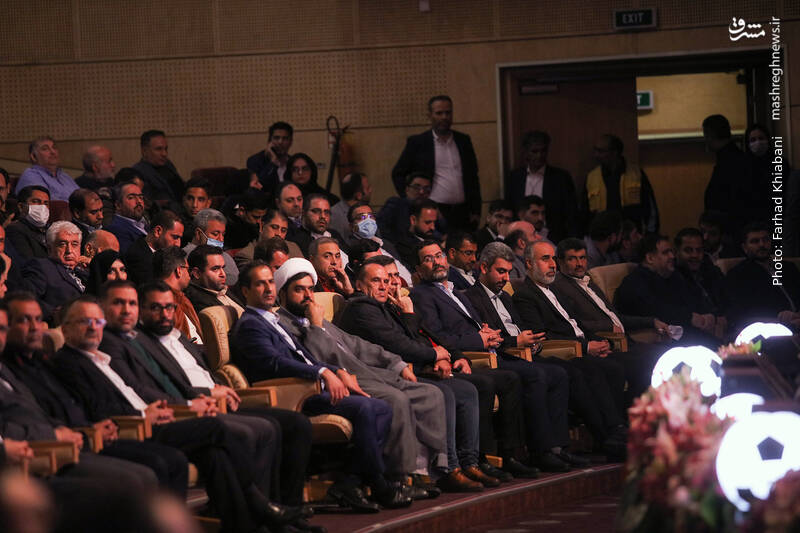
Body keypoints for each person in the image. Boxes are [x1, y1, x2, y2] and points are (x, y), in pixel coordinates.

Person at [50, 294, 307, 533]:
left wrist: (164, 408)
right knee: (216, 428)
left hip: (156, 416)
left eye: (97, 321)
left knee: (215, 454)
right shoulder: (68, 361)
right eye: (84, 322)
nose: (93, 327)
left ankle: (245, 526)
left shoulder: (101, 358)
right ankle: (260, 505)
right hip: (136, 427)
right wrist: (145, 415)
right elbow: (98, 406)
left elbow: (138, 389)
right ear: (65, 329)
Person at [275, 259, 471, 493]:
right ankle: (398, 476)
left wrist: (396, 364)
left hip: (371, 373)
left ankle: (427, 472)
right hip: (343, 381)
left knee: (430, 393)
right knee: (396, 399)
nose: (308, 296)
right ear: (283, 293)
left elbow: (358, 346)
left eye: (310, 289)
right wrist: (316, 328)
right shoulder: (284, 325)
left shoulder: (316, 318)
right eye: (299, 290)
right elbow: (318, 359)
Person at [337, 256, 540, 482]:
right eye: (378, 281)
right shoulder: (363, 308)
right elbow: (399, 344)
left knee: (472, 388)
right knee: (454, 392)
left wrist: (456, 356)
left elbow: (427, 335)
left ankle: (470, 461)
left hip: (419, 365)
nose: (386, 285)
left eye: (389, 279)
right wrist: (433, 354)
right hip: (394, 373)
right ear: (359, 284)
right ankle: (450, 468)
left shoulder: (388, 305)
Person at [230, 261, 407, 512]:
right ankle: (377, 483)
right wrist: (322, 372)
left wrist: (336, 371)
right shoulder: (250, 325)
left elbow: (306, 357)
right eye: (260, 284)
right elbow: (275, 363)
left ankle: (351, 481)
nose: (268, 288)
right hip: (291, 394)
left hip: (310, 386)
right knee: (366, 408)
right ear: (245, 291)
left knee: (382, 407)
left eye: (270, 282)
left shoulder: (272, 320)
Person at [410, 240, 580, 472]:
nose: (436, 262)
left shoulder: (455, 292)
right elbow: (438, 335)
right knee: (525, 376)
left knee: (557, 372)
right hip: (472, 356)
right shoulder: (421, 295)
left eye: (439, 256)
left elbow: (475, 325)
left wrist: (487, 333)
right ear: (418, 269)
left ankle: (557, 447)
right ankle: (527, 453)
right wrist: (478, 339)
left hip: (491, 351)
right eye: (428, 259)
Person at [1, 293, 189, 497]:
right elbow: (42, 415)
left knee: (174, 459)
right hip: (62, 446)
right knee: (151, 469)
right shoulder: (57, 363)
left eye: (38, 319)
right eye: (24, 320)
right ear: (65, 329)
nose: (35, 327)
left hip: (90, 436)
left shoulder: (41, 362)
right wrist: (81, 433)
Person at [467, 242, 628, 459]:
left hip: (528, 352)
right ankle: (545, 450)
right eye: (501, 271)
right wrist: (517, 341)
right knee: (555, 372)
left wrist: (533, 342)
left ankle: (563, 446)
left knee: (568, 371)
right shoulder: (472, 297)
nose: (506, 279)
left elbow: (528, 331)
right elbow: (489, 337)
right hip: (505, 356)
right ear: (484, 268)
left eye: (508, 272)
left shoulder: (506, 297)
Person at [548, 238, 666, 405]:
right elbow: (574, 323)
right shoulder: (558, 286)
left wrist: (651, 322)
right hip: (606, 343)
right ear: (560, 262)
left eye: (582, 258)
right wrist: (608, 326)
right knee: (645, 362)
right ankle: (637, 412)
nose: (579, 263)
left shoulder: (589, 281)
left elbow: (616, 318)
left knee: (663, 353)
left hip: (626, 340)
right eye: (572, 259)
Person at [614, 234, 722, 346]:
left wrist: (707, 316)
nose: (672, 256)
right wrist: (690, 317)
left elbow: (693, 299)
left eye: (672, 252)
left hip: (686, 335)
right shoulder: (634, 282)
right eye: (666, 253)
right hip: (654, 341)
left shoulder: (673, 276)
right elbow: (655, 310)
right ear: (650, 258)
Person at [392, 95, 480, 231]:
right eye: (439, 113)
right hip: (434, 210)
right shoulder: (418, 143)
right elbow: (398, 173)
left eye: (448, 112)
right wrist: (411, 200)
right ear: (430, 115)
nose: (444, 117)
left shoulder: (463, 141)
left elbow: (473, 176)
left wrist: (476, 210)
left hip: (463, 211)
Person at [504, 130, 578, 243]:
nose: (539, 155)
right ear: (526, 152)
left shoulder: (560, 178)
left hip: (553, 237)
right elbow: (510, 207)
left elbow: (571, 213)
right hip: (520, 238)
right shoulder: (515, 177)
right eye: (534, 151)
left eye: (543, 151)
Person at [725, 221, 800, 331]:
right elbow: (741, 315)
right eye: (755, 241)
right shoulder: (738, 275)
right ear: (745, 247)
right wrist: (783, 319)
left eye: (765, 240)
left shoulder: (789, 267)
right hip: (772, 327)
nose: (761, 244)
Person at [582, 134, 659, 234]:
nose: (596, 155)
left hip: (631, 236)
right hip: (603, 237)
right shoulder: (592, 177)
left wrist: (650, 234)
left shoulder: (636, 174)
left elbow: (650, 208)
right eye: (595, 150)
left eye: (601, 151)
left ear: (614, 152)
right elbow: (584, 213)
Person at [21, 221, 87, 323]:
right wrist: (55, 313)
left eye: (74, 244)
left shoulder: (84, 272)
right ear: (49, 249)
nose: (69, 250)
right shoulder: (42, 267)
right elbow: (26, 298)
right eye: (62, 244)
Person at [341, 202, 412, 286]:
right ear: (351, 226)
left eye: (371, 216)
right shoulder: (349, 248)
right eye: (362, 217)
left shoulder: (386, 244)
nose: (368, 220)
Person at [702, 114, 749, 236]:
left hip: (730, 229)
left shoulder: (730, 162)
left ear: (710, 135)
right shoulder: (734, 158)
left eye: (705, 135)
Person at [377, 172, 445, 246]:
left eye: (426, 189)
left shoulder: (431, 210)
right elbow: (381, 228)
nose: (421, 192)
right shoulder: (396, 204)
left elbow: (440, 232)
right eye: (416, 187)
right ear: (407, 189)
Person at [673, 228, 729, 318]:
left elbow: (729, 301)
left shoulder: (712, 271)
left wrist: (725, 318)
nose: (695, 255)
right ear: (676, 252)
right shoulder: (671, 277)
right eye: (688, 250)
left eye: (699, 250)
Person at [153, 246, 203, 343]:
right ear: (179, 270)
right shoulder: (165, 303)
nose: (189, 275)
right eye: (188, 269)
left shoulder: (181, 298)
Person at [124, 210, 184, 286]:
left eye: (180, 238)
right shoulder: (137, 257)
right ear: (158, 231)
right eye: (175, 237)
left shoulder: (162, 255)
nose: (178, 244)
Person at [183, 208, 238, 286]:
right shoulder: (186, 256)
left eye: (223, 234)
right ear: (198, 234)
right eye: (215, 234)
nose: (221, 239)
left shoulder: (225, 255)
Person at [15, 136, 78, 202]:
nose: (53, 152)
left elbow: (81, 196)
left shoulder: (65, 176)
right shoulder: (31, 175)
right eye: (45, 149)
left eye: (54, 147)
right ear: (34, 156)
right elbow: (42, 203)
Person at [235, 209, 303, 269]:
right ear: (262, 226)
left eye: (283, 230)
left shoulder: (294, 248)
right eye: (274, 227)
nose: (279, 234)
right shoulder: (246, 255)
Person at [184, 245, 245, 313]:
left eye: (223, 268)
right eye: (215, 269)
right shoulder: (197, 301)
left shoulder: (224, 290)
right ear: (197, 273)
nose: (223, 274)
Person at [286, 194, 348, 259]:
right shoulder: (297, 241)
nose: (323, 216)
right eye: (316, 211)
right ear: (304, 213)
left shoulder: (335, 234)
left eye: (326, 212)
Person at [132, 130, 184, 203]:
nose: (164, 154)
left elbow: (181, 187)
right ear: (144, 151)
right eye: (159, 149)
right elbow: (146, 202)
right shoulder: (138, 172)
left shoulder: (168, 164)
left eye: (166, 149)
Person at [246, 121, 294, 192]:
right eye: (276, 138)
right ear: (269, 141)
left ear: (290, 142)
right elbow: (258, 187)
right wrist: (273, 163)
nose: (280, 142)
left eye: (285, 138)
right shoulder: (255, 161)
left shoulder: (293, 162)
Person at [6, 186, 50, 260]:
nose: (42, 207)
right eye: (36, 201)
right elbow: (28, 262)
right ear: (21, 207)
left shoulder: (52, 229)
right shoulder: (15, 230)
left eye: (46, 203)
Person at [75, 145, 117, 224]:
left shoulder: (112, 182)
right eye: (109, 161)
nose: (113, 165)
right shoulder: (80, 187)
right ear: (95, 167)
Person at [395, 199, 441, 270]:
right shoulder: (403, 246)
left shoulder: (435, 239)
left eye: (434, 222)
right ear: (413, 220)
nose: (433, 227)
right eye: (428, 222)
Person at [105, 181, 147, 253]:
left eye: (141, 197)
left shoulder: (146, 224)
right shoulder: (116, 229)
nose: (139, 201)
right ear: (118, 205)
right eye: (131, 198)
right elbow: (135, 257)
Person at [330, 172, 372, 238]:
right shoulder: (335, 215)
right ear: (358, 195)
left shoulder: (368, 210)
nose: (370, 190)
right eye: (368, 188)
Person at [178, 177, 212, 245]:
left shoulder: (215, 222)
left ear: (208, 203)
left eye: (200, 200)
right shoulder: (176, 223)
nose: (194, 205)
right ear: (184, 200)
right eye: (190, 199)